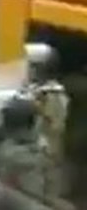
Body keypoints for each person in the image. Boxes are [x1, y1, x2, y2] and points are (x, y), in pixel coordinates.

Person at [22, 42, 69, 200]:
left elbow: (56, 127)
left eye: (30, 66)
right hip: (31, 151)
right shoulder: (32, 90)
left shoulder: (54, 94)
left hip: (44, 155)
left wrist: (38, 109)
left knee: (40, 194)